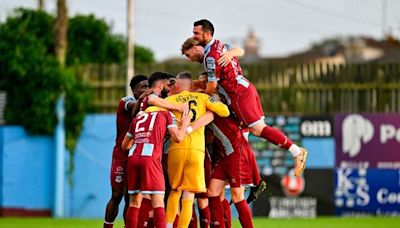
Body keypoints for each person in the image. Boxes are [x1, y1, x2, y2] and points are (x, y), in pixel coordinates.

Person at [184, 19, 308, 178]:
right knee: (241, 134)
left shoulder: (210, 56)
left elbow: (212, 87)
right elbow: (240, 50)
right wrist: (231, 53)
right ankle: (245, 174)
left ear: (207, 34)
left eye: (196, 33)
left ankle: (296, 151)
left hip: (238, 95)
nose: (193, 35)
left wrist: (202, 92)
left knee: (257, 129)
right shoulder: (219, 45)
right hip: (244, 88)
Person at [164, 72, 230, 228]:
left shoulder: (169, 100)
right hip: (196, 151)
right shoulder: (202, 98)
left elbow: (152, 108)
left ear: (177, 85)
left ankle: (167, 226)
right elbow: (225, 112)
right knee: (189, 195)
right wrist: (212, 105)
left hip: (176, 149)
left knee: (174, 191)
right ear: (192, 85)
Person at [121, 104, 191, 228]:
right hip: (150, 158)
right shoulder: (166, 114)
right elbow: (178, 137)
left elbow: (125, 145)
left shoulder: (139, 117)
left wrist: (142, 138)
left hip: (133, 157)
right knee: (158, 202)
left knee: (134, 202)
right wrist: (185, 124)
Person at [103, 75, 150, 228]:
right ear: (134, 90)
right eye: (143, 87)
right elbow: (133, 108)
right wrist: (148, 94)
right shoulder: (126, 101)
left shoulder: (150, 106)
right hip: (121, 155)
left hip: (137, 155)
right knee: (116, 195)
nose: (146, 89)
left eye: (148, 86)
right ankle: (107, 225)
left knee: (132, 197)